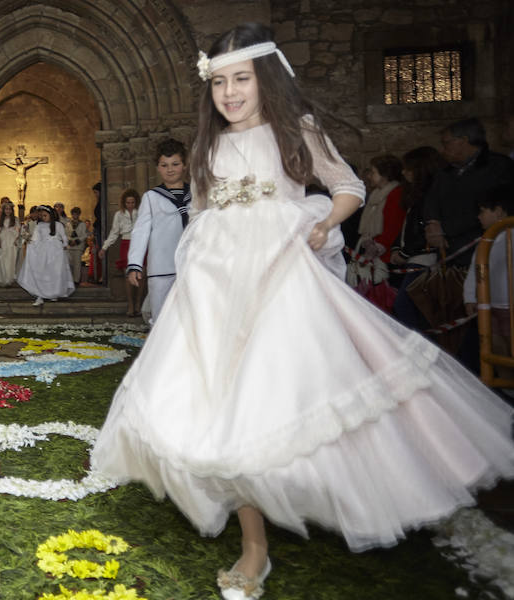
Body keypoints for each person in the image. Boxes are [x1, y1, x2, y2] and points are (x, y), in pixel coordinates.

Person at [90, 23, 514, 600]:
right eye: (219, 82)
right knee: (218, 402)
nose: (231, 93)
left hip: (281, 276)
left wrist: (324, 222)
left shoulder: (297, 131)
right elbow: (206, 214)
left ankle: (346, 489)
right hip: (216, 287)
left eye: (241, 79)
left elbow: (347, 186)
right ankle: (254, 543)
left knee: (278, 395)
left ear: (264, 79)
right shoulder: (207, 146)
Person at [424, 117, 514, 267]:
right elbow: (431, 198)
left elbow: (496, 206)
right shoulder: (445, 170)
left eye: (446, 143)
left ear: (463, 141)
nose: (442, 149)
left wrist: (445, 228)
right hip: (447, 250)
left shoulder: (499, 167)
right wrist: (433, 224)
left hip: (481, 248)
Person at [126, 138, 192, 323]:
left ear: (185, 165)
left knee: (191, 316)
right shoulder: (151, 197)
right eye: (164, 165)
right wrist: (135, 265)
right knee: (162, 318)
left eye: (175, 164)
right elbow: (140, 232)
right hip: (162, 266)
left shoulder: (196, 194)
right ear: (157, 167)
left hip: (193, 264)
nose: (170, 169)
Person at [390, 146, 446, 329]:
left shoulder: (430, 196)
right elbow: (408, 227)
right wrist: (397, 248)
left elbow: (423, 231)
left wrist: (405, 253)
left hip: (423, 259)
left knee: (405, 305)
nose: (404, 172)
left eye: (408, 168)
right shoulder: (416, 196)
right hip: (414, 257)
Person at [463, 185, 514, 378]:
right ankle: (507, 394)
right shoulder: (486, 240)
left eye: (483, 211)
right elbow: (474, 272)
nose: (478, 217)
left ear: (499, 212)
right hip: (489, 307)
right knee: (495, 350)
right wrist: (469, 297)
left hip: (510, 307)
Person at [345, 154, 405, 311]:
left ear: (385, 174)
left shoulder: (395, 193)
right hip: (369, 248)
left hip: (382, 254)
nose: (369, 176)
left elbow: (393, 224)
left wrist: (378, 246)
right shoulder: (376, 195)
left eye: (372, 172)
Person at [17, 205, 75, 306]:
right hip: (43, 251)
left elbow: (64, 237)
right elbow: (36, 239)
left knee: (54, 272)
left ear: (51, 215)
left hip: (56, 251)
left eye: (45, 215)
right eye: (41, 216)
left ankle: (53, 293)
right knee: (43, 271)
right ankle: (40, 294)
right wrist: (30, 241)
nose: (43, 218)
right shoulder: (39, 226)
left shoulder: (58, 225)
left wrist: (65, 245)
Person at [100, 188, 142, 316]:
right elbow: (114, 232)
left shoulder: (141, 213)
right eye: (128, 202)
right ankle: (130, 305)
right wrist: (104, 247)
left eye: (132, 202)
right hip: (126, 242)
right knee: (128, 275)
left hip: (140, 243)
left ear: (136, 202)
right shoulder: (119, 214)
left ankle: (138, 305)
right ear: (124, 203)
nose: (130, 205)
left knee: (141, 275)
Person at [0, 200, 20, 287]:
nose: (8, 211)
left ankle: (10, 279)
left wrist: (16, 240)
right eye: (6, 209)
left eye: (9, 209)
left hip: (12, 242)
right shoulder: (1, 220)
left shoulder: (15, 219)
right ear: (3, 210)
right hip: (3, 241)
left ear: (12, 210)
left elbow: (18, 232)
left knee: (11, 261)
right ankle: (3, 279)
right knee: (2, 260)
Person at [66, 206, 88, 283]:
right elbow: (65, 234)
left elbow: (84, 235)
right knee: (70, 264)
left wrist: (77, 241)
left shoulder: (82, 224)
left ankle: (76, 280)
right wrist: (69, 241)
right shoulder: (68, 224)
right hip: (70, 246)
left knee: (77, 264)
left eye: (76, 214)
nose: (75, 216)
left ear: (79, 215)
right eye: (73, 214)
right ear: (72, 214)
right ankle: (70, 280)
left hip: (78, 247)